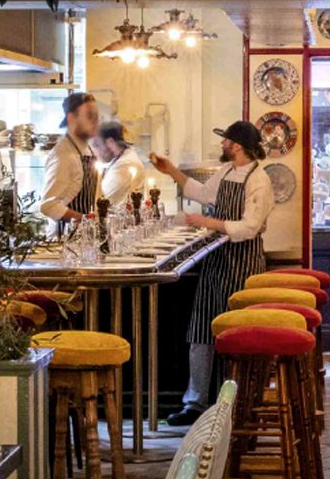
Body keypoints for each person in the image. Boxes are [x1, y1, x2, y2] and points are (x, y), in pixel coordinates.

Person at [150, 120, 273, 425]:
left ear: (238, 145)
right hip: (216, 259)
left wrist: (209, 224)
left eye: (226, 141)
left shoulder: (260, 180)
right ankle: (195, 403)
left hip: (243, 262)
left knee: (234, 335)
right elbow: (203, 193)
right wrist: (172, 171)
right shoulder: (227, 172)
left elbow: (249, 227)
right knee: (201, 330)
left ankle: (235, 401)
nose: (222, 145)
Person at [39, 92, 100, 230]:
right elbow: (49, 205)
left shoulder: (87, 149)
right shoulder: (63, 155)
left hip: (85, 237)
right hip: (67, 240)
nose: (96, 122)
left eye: (97, 117)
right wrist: (85, 221)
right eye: (90, 116)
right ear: (72, 118)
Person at [91, 121, 146, 207]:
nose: (95, 152)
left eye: (97, 145)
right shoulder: (118, 159)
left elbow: (100, 201)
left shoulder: (125, 165)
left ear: (110, 142)